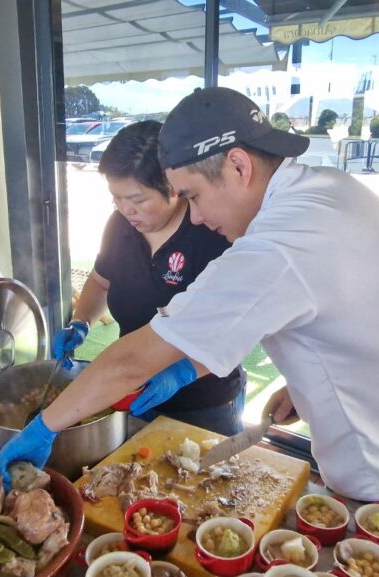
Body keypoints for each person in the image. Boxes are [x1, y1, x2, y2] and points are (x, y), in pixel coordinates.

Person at [0, 87, 379, 524]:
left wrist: (44, 427)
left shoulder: (277, 244)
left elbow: (132, 360)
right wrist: (310, 383)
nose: (194, 216)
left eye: (193, 196)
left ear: (238, 165)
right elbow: (357, 304)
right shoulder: (326, 189)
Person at [52, 120, 247, 435]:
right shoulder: (119, 226)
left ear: (172, 186)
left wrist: (182, 373)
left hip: (205, 404)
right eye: (116, 198)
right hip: (134, 393)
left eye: (137, 200)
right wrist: (81, 321)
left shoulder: (211, 231)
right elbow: (101, 281)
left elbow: (238, 327)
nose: (125, 210)